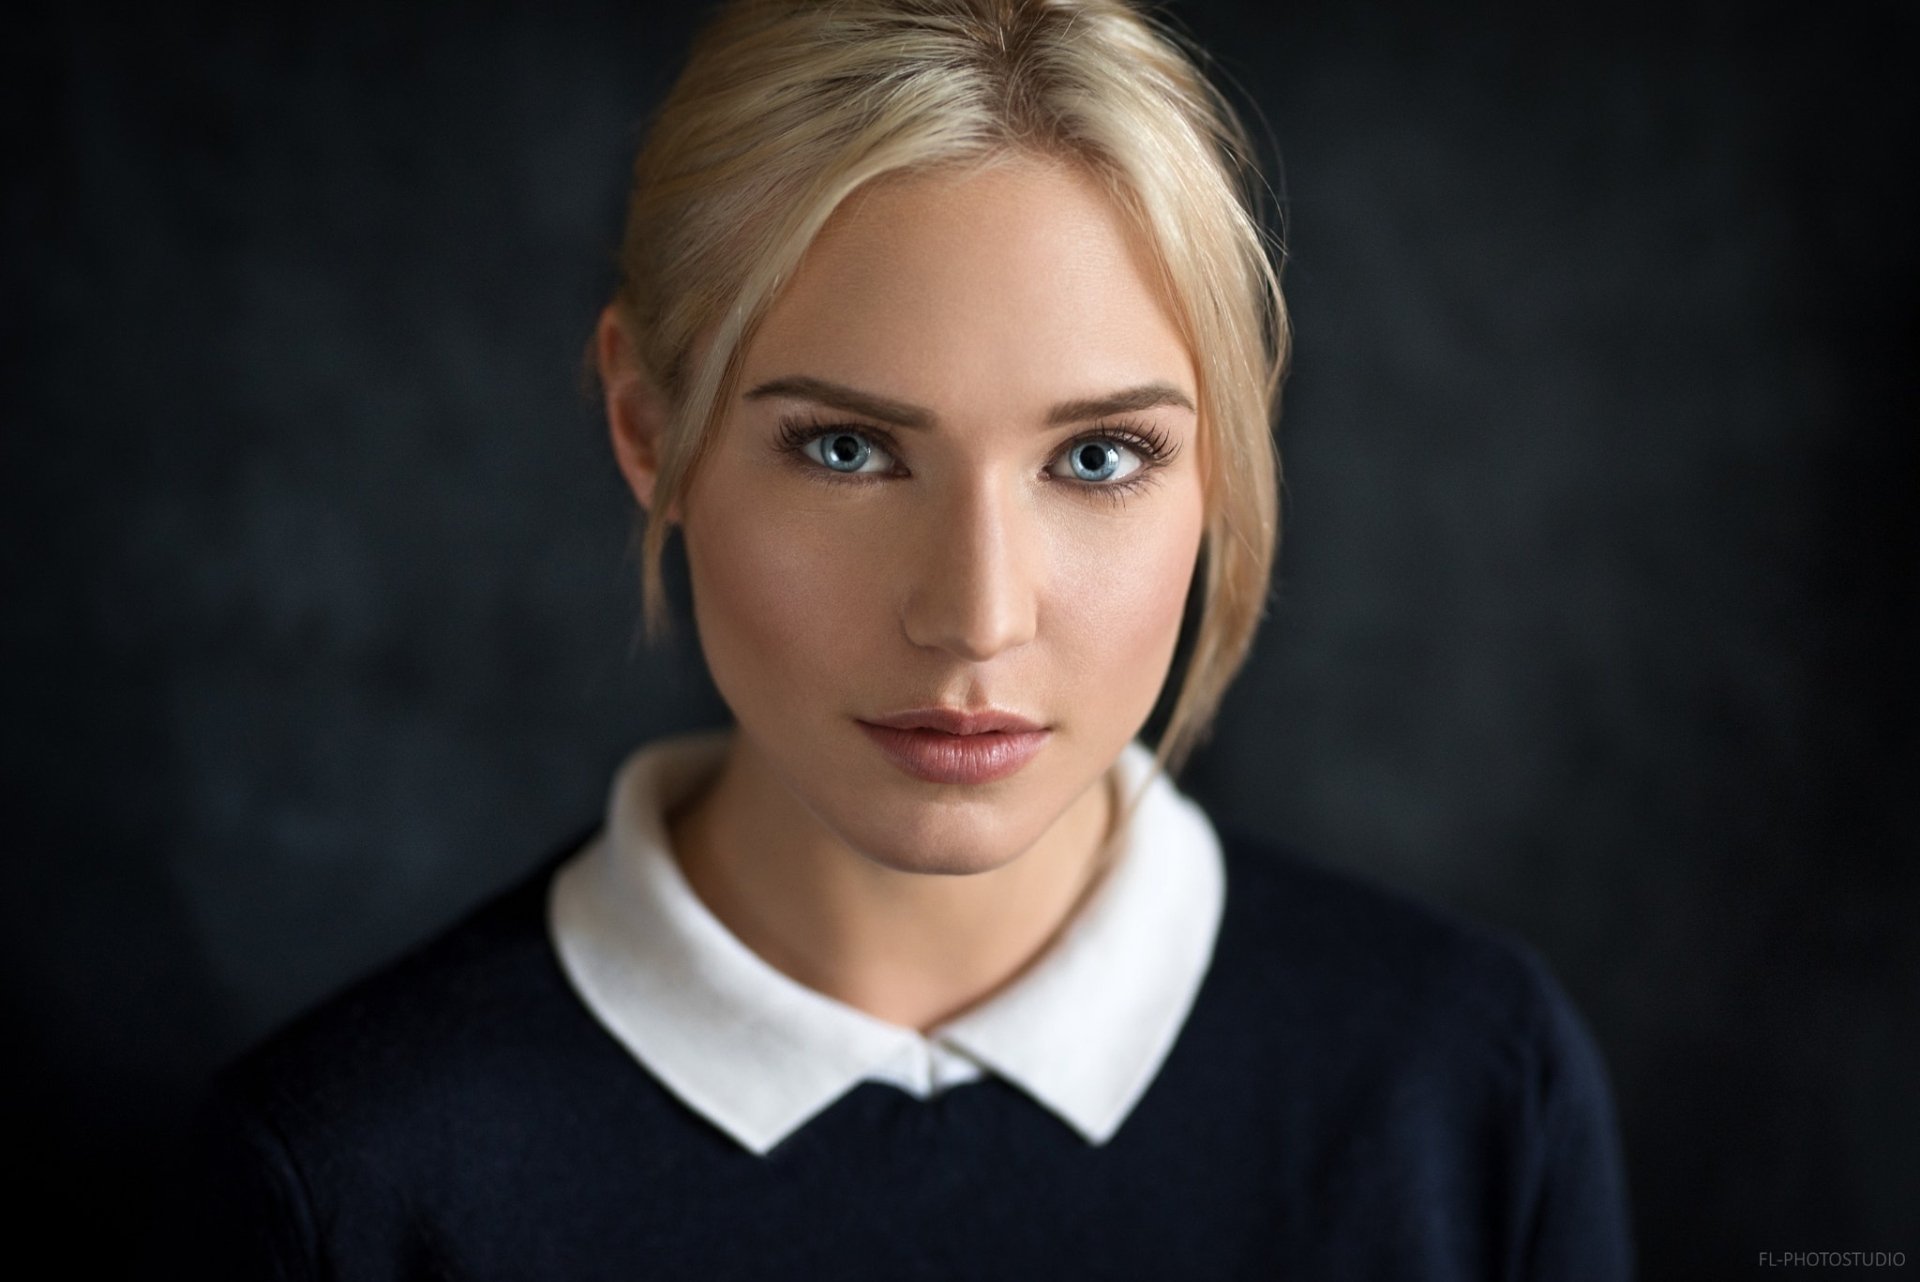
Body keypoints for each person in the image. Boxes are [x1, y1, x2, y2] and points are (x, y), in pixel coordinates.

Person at [161, 1, 1636, 1277]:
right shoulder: (339, 1183)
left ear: (1222, 464)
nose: (978, 614)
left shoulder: (1472, 1088)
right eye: (850, 450)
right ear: (645, 422)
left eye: (1101, 456)